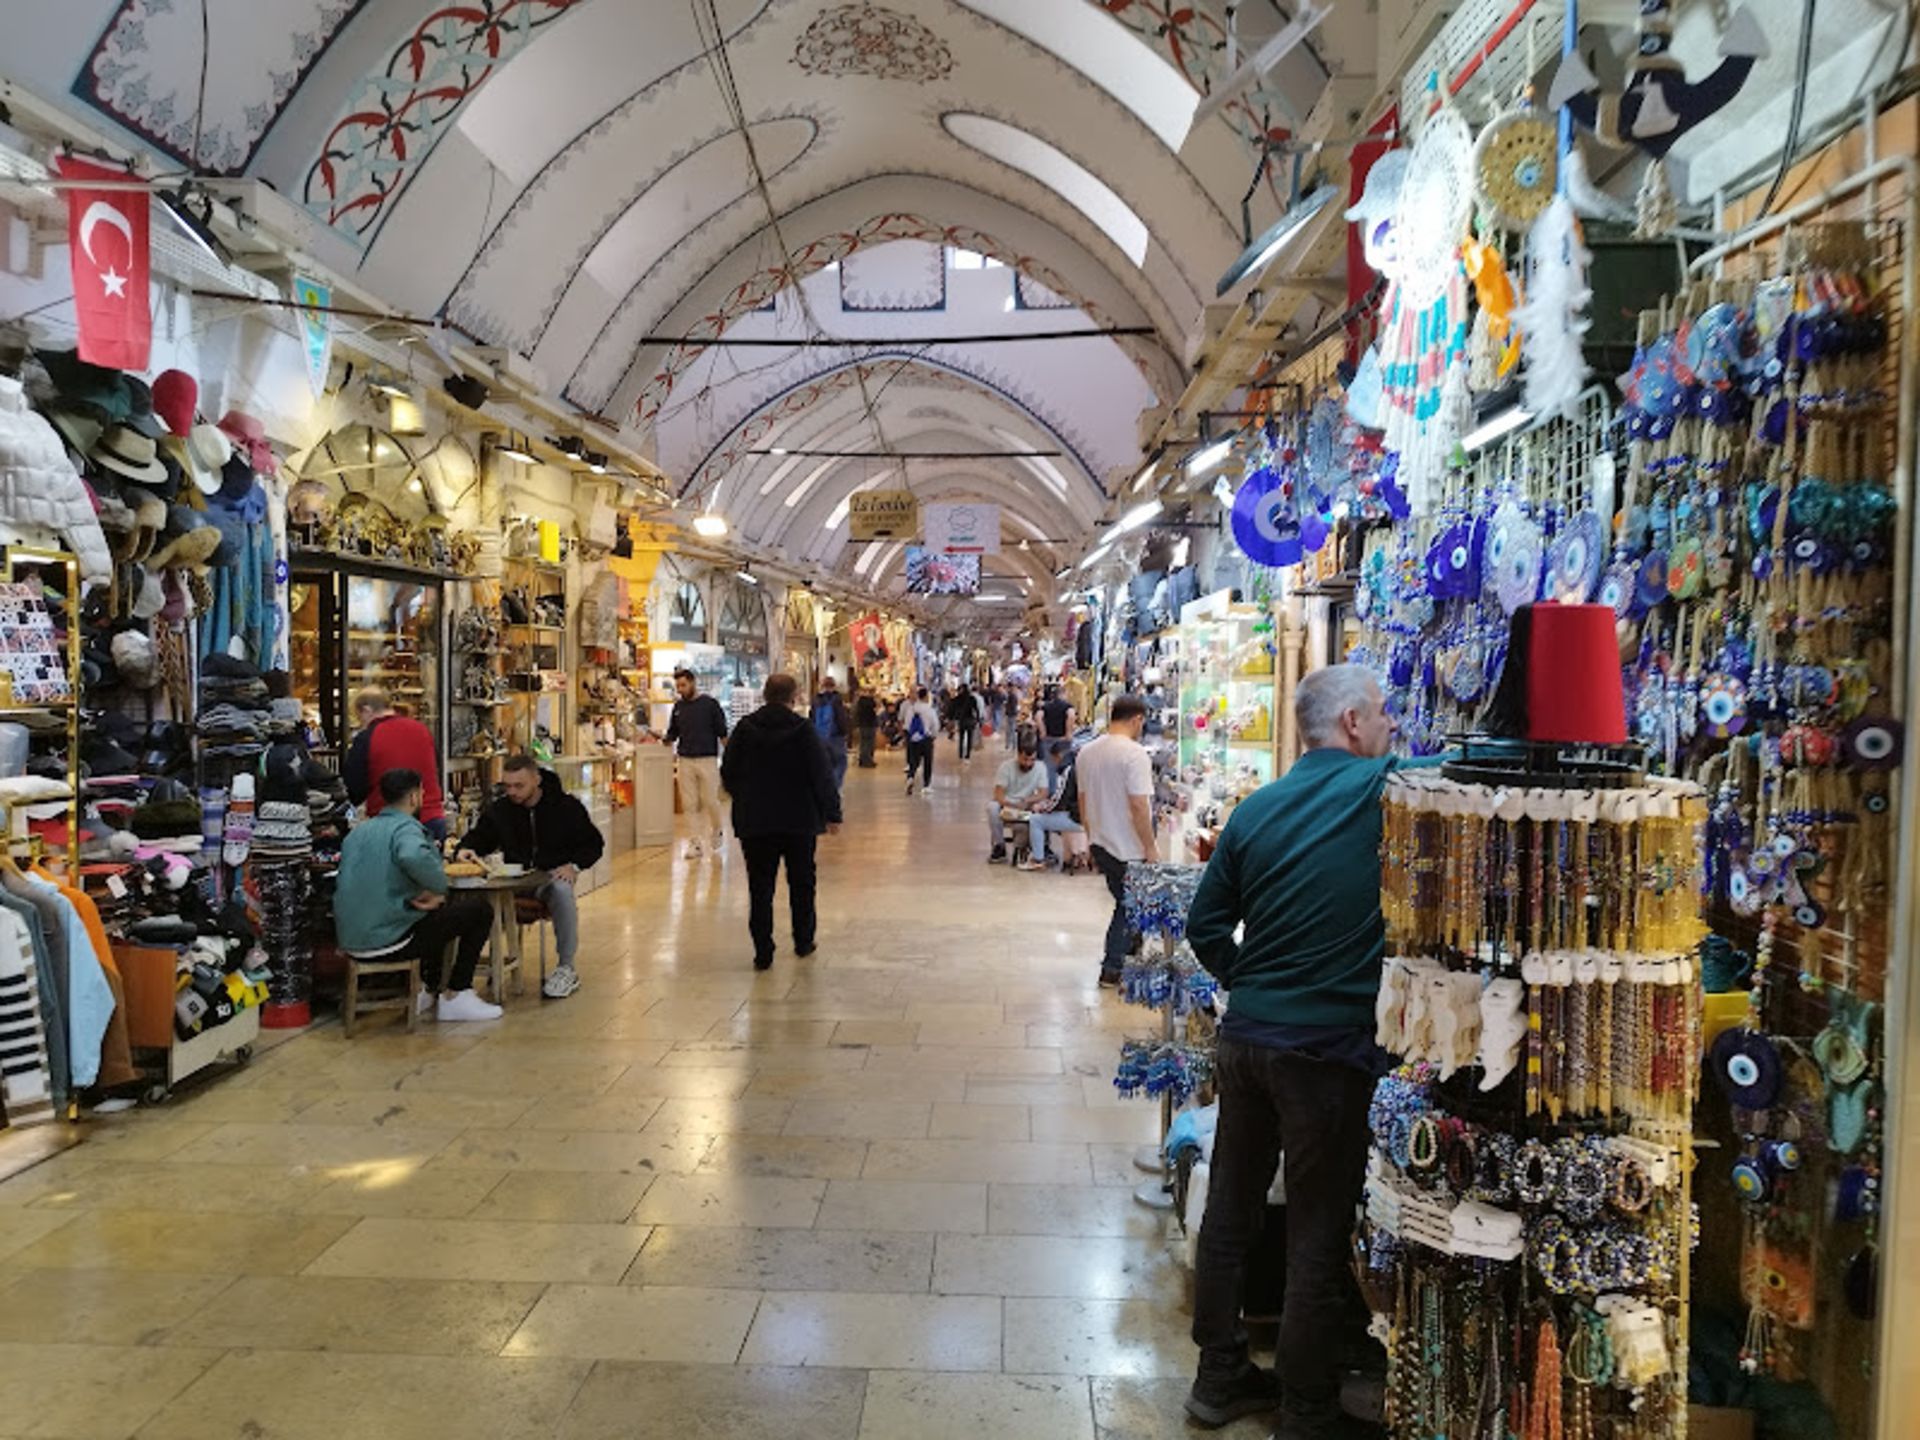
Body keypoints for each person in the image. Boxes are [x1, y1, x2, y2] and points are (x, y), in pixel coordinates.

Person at [1181, 665, 1412, 1437]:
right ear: (1352, 724)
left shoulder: (1256, 810)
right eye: (1382, 714)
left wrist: (1251, 983)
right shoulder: (1381, 786)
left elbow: (1206, 925)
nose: (1390, 726)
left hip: (1246, 1040)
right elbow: (1478, 774)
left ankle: (1217, 1378)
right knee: (1318, 1228)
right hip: (1328, 1051)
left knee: (1231, 1208)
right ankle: (1305, 1407)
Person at [335, 769, 500, 1022]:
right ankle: (458, 993)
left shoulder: (358, 832)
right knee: (478, 910)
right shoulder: (406, 829)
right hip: (389, 940)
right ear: (414, 797)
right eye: (422, 792)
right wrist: (438, 887)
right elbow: (412, 855)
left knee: (433, 916)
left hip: (350, 940)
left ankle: (428, 988)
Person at [455, 755, 606, 1000]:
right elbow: (481, 836)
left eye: (519, 786)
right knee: (475, 898)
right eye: (508, 786)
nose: (512, 792)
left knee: (562, 890)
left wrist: (574, 866)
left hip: (548, 877)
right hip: (514, 880)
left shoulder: (565, 807)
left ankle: (566, 966)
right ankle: (464, 974)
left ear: (536, 780)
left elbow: (593, 844)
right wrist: (466, 848)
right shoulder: (502, 810)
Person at [720, 673, 842, 970]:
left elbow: (728, 772)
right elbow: (822, 774)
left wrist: (746, 797)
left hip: (756, 821)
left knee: (760, 886)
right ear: (794, 696)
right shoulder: (803, 730)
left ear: (764, 694)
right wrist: (832, 813)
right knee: (802, 882)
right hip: (798, 820)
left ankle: (763, 950)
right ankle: (803, 940)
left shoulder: (745, 729)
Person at [1074, 693, 1156, 985]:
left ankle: (1129, 959)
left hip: (1101, 840)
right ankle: (1114, 966)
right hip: (1127, 846)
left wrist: (1090, 839)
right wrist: (1150, 846)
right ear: (1137, 720)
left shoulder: (1087, 752)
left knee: (1126, 901)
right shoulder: (1134, 754)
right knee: (1129, 904)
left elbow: (1082, 801)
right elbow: (1138, 806)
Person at [343, 686, 447, 840]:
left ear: (366, 710)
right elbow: (435, 768)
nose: (361, 723)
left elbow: (354, 787)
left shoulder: (368, 738)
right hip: (432, 817)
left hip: (390, 826)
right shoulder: (422, 730)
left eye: (359, 717)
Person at [666, 667, 728, 859]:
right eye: (678, 686)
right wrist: (664, 739)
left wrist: (731, 755)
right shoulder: (678, 708)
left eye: (683, 685)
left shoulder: (710, 705)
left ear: (692, 683)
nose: (680, 690)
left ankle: (717, 829)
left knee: (710, 799)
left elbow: (722, 732)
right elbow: (673, 732)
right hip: (685, 759)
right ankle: (695, 842)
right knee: (689, 803)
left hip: (707, 758)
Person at [985, 730, 1051, 863]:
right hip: (1008, 805)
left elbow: (1044, 793)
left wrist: (1028, 801)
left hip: (1028, 805)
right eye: (1025, 759)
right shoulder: (1006, 767)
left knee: (1045, 805)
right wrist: (1013, 805)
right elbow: (998, 795)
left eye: (1031, 760)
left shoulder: (1040, 768)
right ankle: (999, 846)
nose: (1028, 764)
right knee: (992, 807)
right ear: (1018, 755)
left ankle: (1044, 846)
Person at [810, 676, 852, 791]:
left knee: (826, 763)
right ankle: (834, 786)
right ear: (833, 686)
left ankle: (826, 786)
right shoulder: (836, 699)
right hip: (835, 736)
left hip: (820, 737)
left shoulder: (816, 700)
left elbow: (812, 718)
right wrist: (845, 732)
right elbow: (840, 718)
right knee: (840, 762)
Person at [901, 686, 940, 796]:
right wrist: (934, 735)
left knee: (913, 761)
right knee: (927, 762)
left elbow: (907, 725)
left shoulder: (911, 709)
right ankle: (926, 785)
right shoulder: (930, 710)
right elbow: (935, 725)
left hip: (913, 739)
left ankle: (911, 777)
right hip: (926, 739)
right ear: (927, 696)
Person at [950, 682, 982, 763]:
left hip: (962, 721)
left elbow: (952, 708)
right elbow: (976, 710)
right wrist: (978, 719)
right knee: (969, 738)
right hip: (970, 720)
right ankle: (967, 756)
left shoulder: (958, 698)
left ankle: (960, 755)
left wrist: (952, 718)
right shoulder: (972, 698)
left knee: (961, 738)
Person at [854, 686, 880, 768]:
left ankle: (862, 760)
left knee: (863, 743)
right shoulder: (870, 701)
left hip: (862, 724)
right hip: (870, 724)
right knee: (869, 743)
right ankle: (868, 760)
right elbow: (875, 708)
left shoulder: (859, 701)